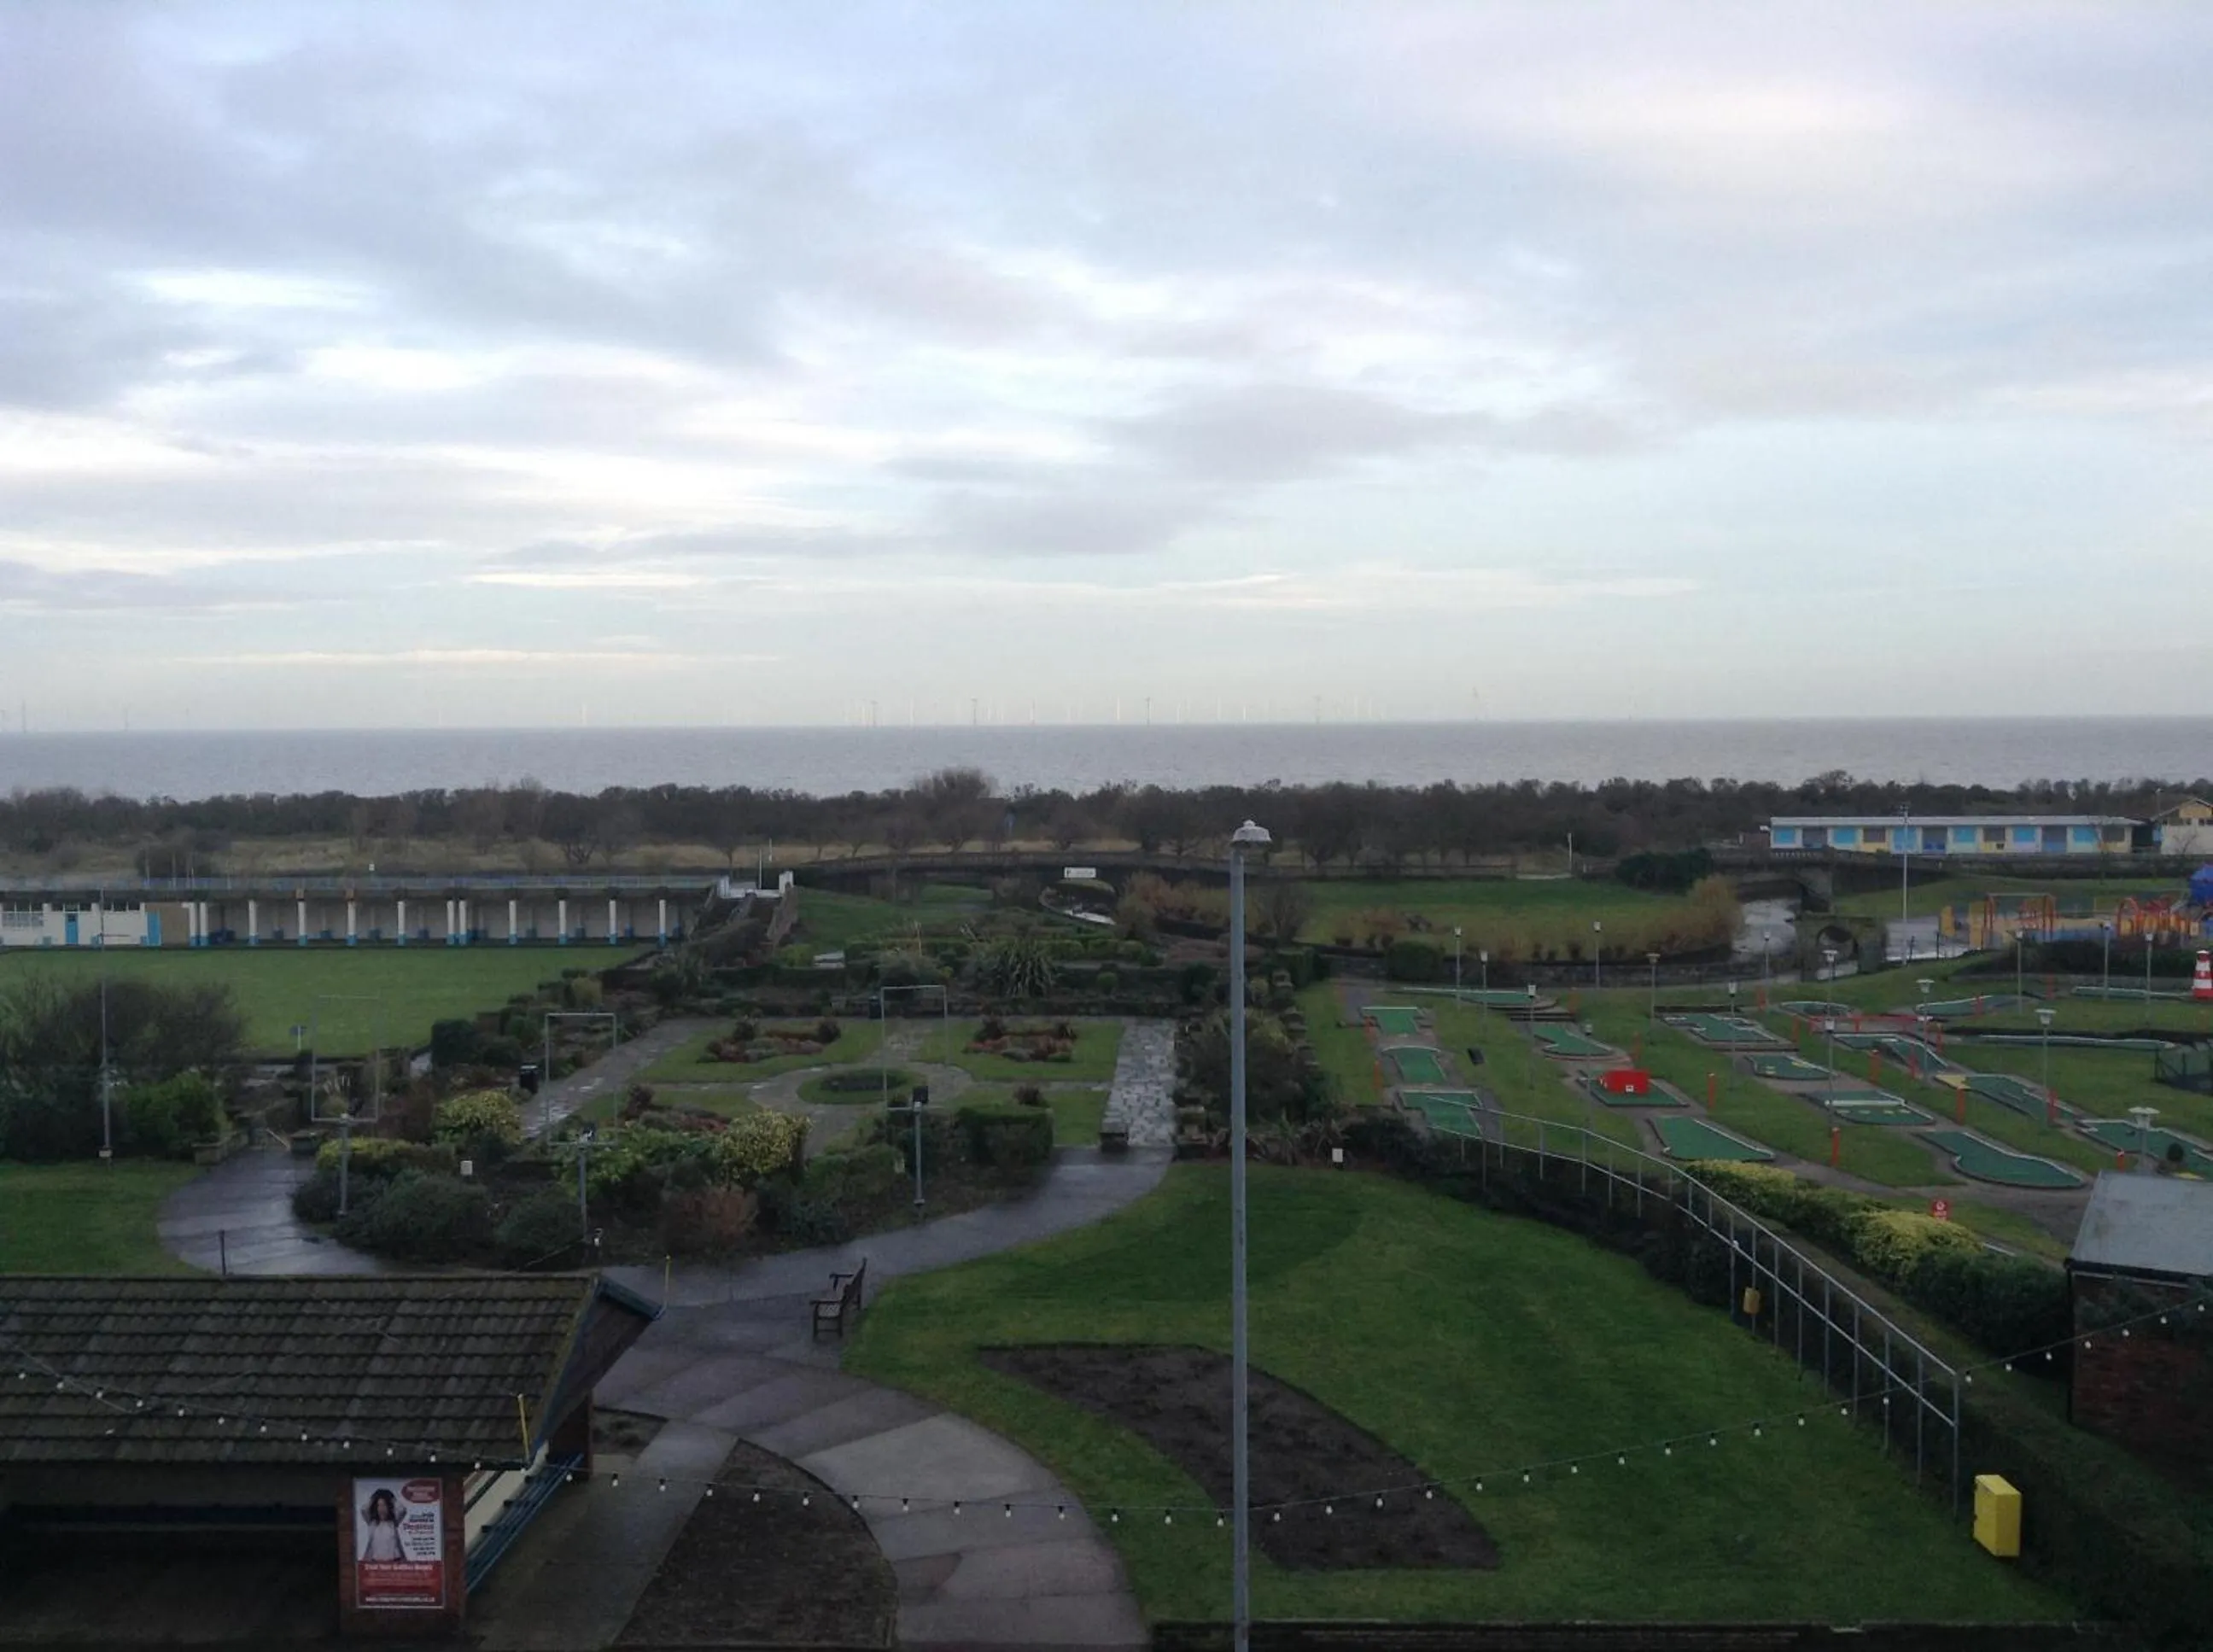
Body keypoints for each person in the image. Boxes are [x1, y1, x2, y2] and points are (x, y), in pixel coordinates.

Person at [359, 1488, 405, 1562]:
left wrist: (392, 1498)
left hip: (394, 1562)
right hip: (376, 1563)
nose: (381, 1509)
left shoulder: (393, 1523)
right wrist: (373, 1497)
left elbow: (402, 1510)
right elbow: (363, 1509)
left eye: (384, 1505)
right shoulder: (372, 1523)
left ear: (389, 1508)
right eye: (379, 1506)